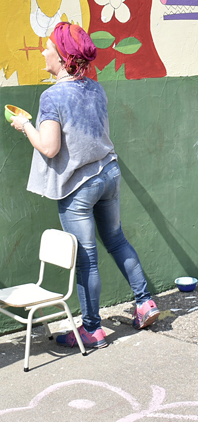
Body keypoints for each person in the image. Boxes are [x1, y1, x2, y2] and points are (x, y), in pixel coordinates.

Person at [10, 22, 160, 348]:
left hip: (79, 187)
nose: (44, 51)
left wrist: (25, 126)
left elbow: (49, 148)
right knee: (117, 240)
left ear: (63, 57)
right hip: (109, 174)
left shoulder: (52, 97)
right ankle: (145, 302)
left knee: (87, 258)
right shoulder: (96, 87)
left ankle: (92, 329)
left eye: (49, 46)